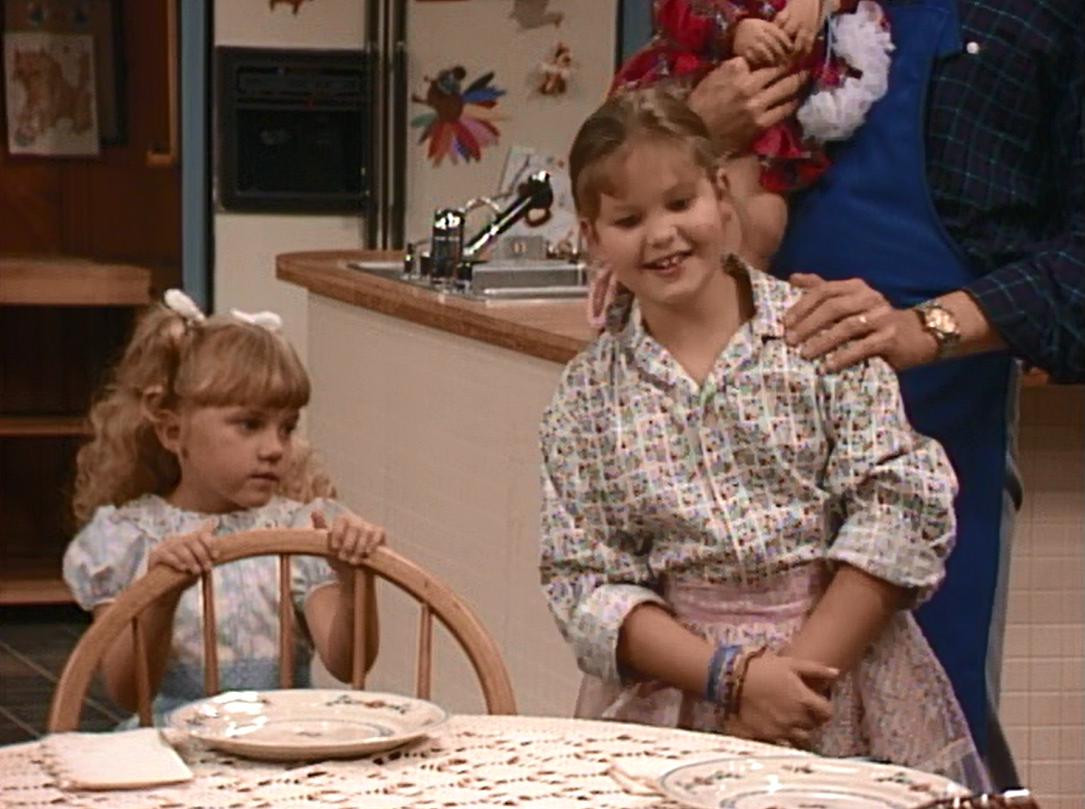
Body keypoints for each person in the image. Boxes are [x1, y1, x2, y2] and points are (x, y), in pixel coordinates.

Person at [539, 87, 990, 790]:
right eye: (628, 219)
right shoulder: (587, 396)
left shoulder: (821, 333)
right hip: (678, 700)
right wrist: (734, 679)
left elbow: (899, 510)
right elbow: (584, 581)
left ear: (721, 193)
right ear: (593, 237)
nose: (661, 235)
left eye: (679, 202)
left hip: (842, 681)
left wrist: (795, 683)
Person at [684, 0, 1082, 775]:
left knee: (915, 738)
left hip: (934, 424)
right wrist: (695, 124)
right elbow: (617, 180)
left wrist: (920, 327)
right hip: (738, 435)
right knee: (721, 741)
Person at [64, 290, 384, 722]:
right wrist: (162, 593)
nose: (275, 448)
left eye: (286, 427)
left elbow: (349, 664)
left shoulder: (298, 529)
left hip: (282, 741)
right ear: (173, 431)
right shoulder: (129, 538)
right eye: (250, 424)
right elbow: (128, 692)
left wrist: (354, 583)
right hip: (173, 747)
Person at [610, 0, 894, 270]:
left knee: (765, 221)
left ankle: (750, 295)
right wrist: (732, 28)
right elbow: (675, 9)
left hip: (778, 119)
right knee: (712, 216)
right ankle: (715, 298)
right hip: (704, 83)